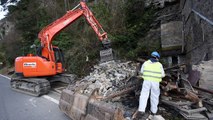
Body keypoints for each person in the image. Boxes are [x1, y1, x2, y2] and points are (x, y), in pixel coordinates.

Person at [134, 51, 165, 119]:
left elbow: (142, 72)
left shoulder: (145, 63)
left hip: (147, 81)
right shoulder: (159, 65)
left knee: (144, 95)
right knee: (154, 96)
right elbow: (163, 75)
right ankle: (153, 111)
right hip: (155, 83)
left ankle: (141, 110)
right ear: (157, 58)